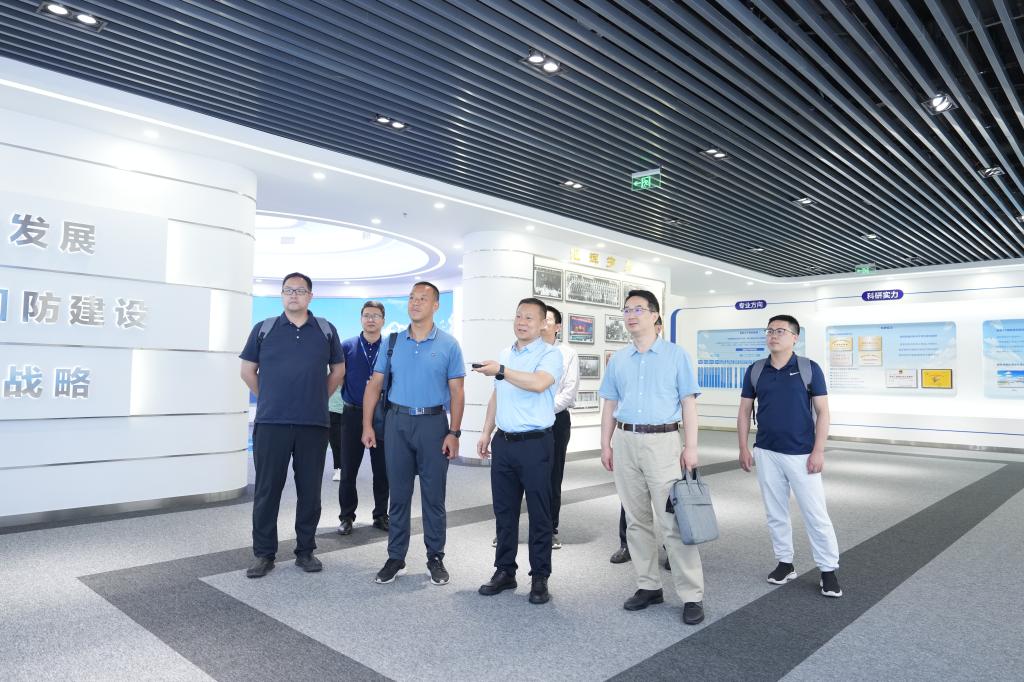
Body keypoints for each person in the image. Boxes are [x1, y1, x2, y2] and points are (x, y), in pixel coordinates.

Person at [599, 291, 706, 625]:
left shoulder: (676, 355)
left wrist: (691, 447)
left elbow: (688, 403)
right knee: (636, 520)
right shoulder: (618, 359)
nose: (631, 315)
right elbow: (610, 404)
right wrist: (605, 444)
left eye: (639, 309)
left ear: (656, 315)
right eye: (627, 310)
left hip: (664, 442)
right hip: (626, 441)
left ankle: (691, 595)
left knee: (673, 521)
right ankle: (649, 586)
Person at [239, 272, 345, 578]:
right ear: (282, 295)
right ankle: (264, 554)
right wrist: (270, 397)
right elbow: (247, 371)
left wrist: (317, 397)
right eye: (288, 290)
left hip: (313, 423)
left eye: (300, 290)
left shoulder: (325, 329)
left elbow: (338, 371)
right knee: (267, 490)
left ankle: (306, 551)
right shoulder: (264, 328)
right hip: (271, 422)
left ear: (310, 296)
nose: (293, 295)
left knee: (310, 491)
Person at [362, 282, 465, 586]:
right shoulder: (393, 341)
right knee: (398, 495)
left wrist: (454, 432)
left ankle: (435, 557)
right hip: (397, 423)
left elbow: (457, 392)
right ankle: (396, 557)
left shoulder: (449, 344)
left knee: (434, 496)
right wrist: (367, 425)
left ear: (436, 305)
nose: (415, 303)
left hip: (433, 424)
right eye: (411, 298)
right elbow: (374, 385)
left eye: (422, 298)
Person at [737, 314, 841, 598]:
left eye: (780, 331)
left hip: (802, 453)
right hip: (766, 450)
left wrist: (818, 450)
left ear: (795, 337)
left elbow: (823, 412)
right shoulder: (756, 370)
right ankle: (785, 563)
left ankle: (828, 570)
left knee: (815, 513)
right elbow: (744, 411)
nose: (773, 335)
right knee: (775, 512)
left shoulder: (809, 368)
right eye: (770, 330)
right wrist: (744, 447)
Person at [474, 298, 563, 604]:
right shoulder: (505, 354)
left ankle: (539, 577)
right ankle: (504, 571)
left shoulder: (550, 354)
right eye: (518, 316)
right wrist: (486, 431)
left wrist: (501, 370)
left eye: (529, 317)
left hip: (535, 443)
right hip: (504, 442)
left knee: (539, 513)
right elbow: (497, 395)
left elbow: (538, 383)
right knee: (504, 511)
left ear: (542, 323)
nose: (522, 322)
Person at [336, 301, 390, 535]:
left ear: (383, 320)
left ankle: (381, 515)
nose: (371, 319)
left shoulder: (390, 348)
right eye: (367, 315)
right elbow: (340, 377)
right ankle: (346, 516)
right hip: (352, 414)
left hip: (382, 415)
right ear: (361, 319)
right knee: (348, 469)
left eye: (376, 316)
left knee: (383, 470)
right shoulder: (347, 346)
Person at [542, 304, 578, 550]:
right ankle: (508, 529)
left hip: (556, 421)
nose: (541, 322)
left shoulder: (568, 353)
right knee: (521, 478)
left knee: (553, 476)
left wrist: (542, 409)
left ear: (558, 326)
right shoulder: (526, 349)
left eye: (547, 319)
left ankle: (550, 528)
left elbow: (569, 391)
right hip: (527, 422)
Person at [328, 388, 343, 481]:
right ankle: (338, 468)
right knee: (335, 442)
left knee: (343, 442)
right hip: (331, 409)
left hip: (347, 408)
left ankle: (342, 467)